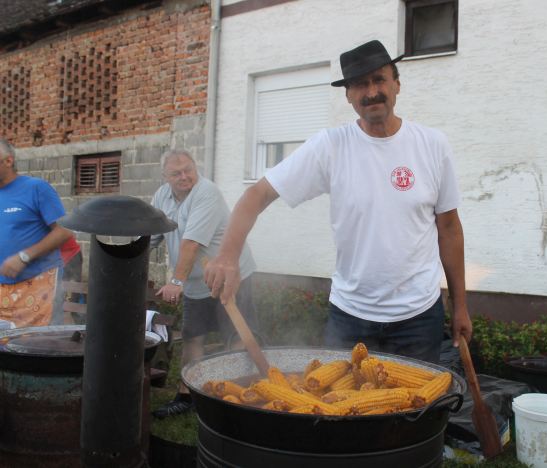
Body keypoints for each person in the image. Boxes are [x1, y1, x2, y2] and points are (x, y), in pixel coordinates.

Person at [204, 40, 472, 363]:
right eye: (359, 84)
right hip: (351, 317)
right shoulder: (331, 147)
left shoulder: (432, 145)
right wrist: (228, 257)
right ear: (348, 96)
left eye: (379, 80)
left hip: (418, 319)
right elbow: (257, 194)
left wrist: (461, 307)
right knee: (340, 411)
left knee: (414, 412)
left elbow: (449, 229)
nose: (371, 91)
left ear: (397, 84)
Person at [150, 149, 257, 418]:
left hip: (229, 277)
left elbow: (191, 243)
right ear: (165, 176)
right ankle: (187, 396)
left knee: (234, 337)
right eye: (176, 173)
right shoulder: (162, 196)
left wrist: (176, 281)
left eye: (189, 169)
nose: (184, 176)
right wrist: (129, 261)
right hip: (196, 281)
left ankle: (232, 396)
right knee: (192, 337)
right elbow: (151, 236)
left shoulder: (206, 193)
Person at [0, 138, 73, 328]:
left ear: (8, 161)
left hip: (39, 282)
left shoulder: (36, 188)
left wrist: (24, 256)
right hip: (3, 289)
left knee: (37, 346)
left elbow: (64, 231)